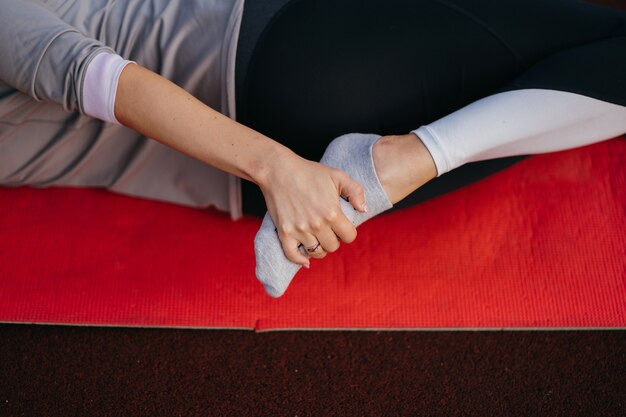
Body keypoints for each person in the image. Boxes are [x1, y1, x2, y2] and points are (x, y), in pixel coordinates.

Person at [1, 0, 625, 297]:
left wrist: (281, 176)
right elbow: (99, 78)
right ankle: (401, 161)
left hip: (283, 197)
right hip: (282, 73)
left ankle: (412, 159)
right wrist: (277, 168)